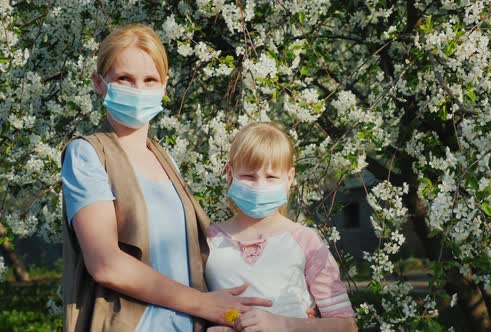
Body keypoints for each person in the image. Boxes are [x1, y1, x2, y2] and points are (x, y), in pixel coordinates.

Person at [60, 24, 271, 332]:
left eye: (149, 80)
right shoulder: (88, 154)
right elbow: (106, 264)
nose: (138, 89)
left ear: (164, 86)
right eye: (124, 79)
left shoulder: (164, 157)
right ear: (99, 82)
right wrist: (203, 304)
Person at [205, 122, 358, 332]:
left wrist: (282, 324)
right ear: (230, 174)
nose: (259, 186)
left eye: (271, 177)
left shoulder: (306, 241)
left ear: (289, 178)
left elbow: (346, 326)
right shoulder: (207, 241)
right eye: (249, 176)